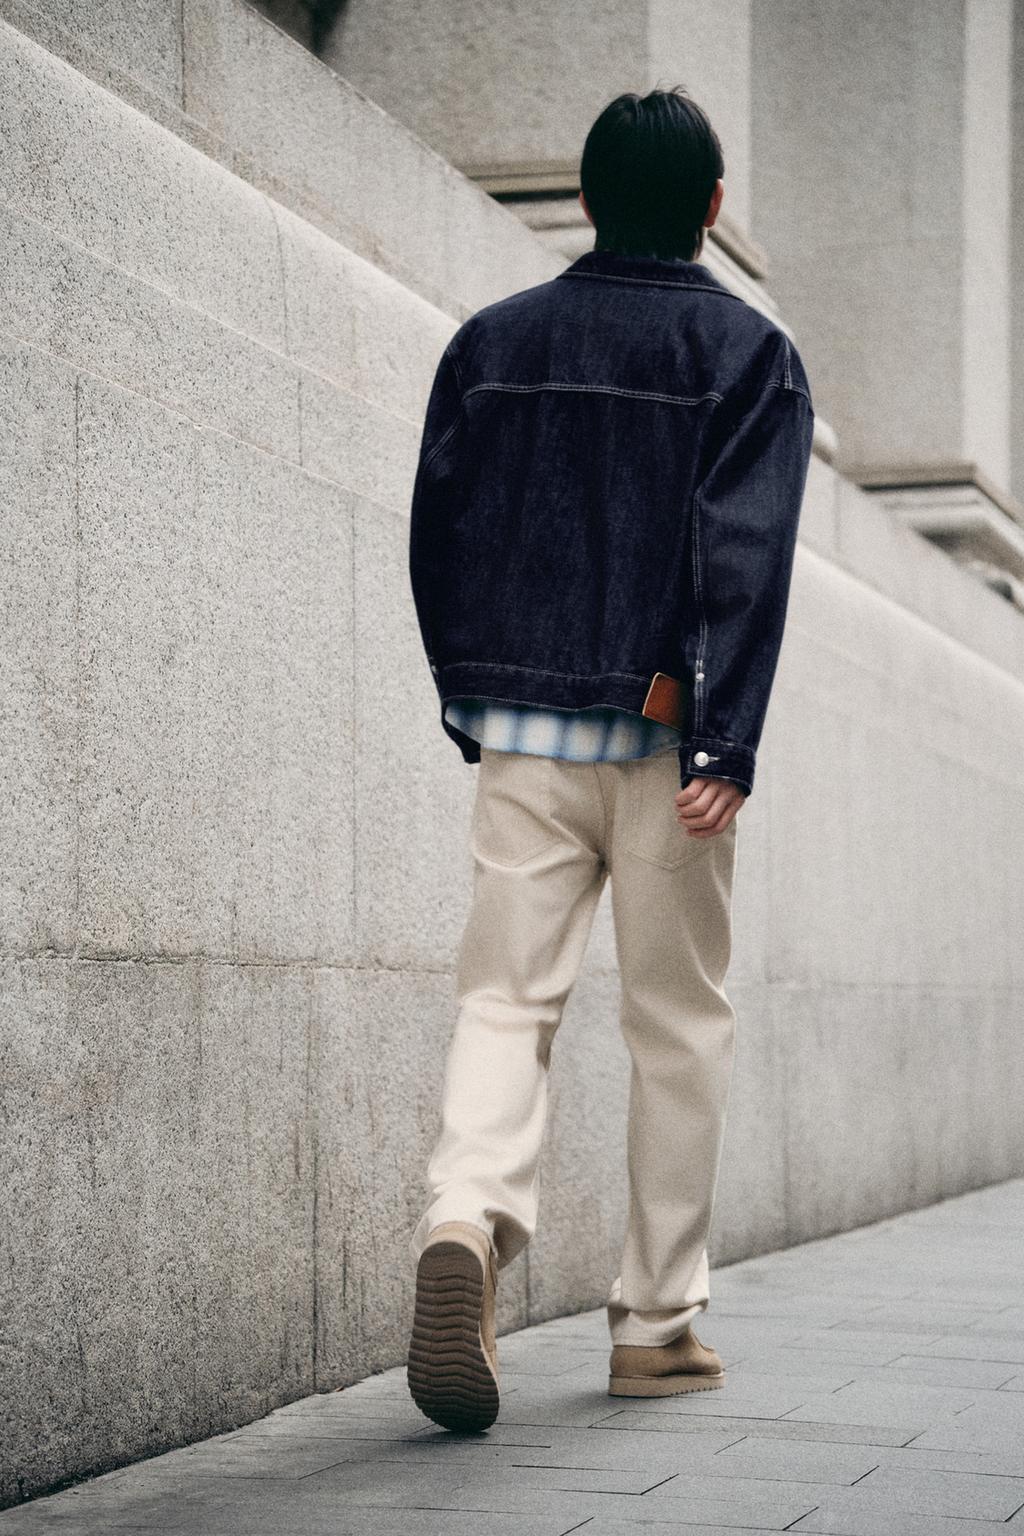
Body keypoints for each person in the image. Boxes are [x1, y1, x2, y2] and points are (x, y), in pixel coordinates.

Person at [405, 86, 815, 1433]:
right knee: (677, 1025)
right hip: (667, 744)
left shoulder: (491, 343)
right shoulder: (748, 355)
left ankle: (465, 1215)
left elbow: (437, 529)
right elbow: (742, 561)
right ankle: (655, 1326)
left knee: (503, 1001)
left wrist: (472, 694)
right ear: (712, 208)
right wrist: (727, 739)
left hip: (523, 736)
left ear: (583, 197)